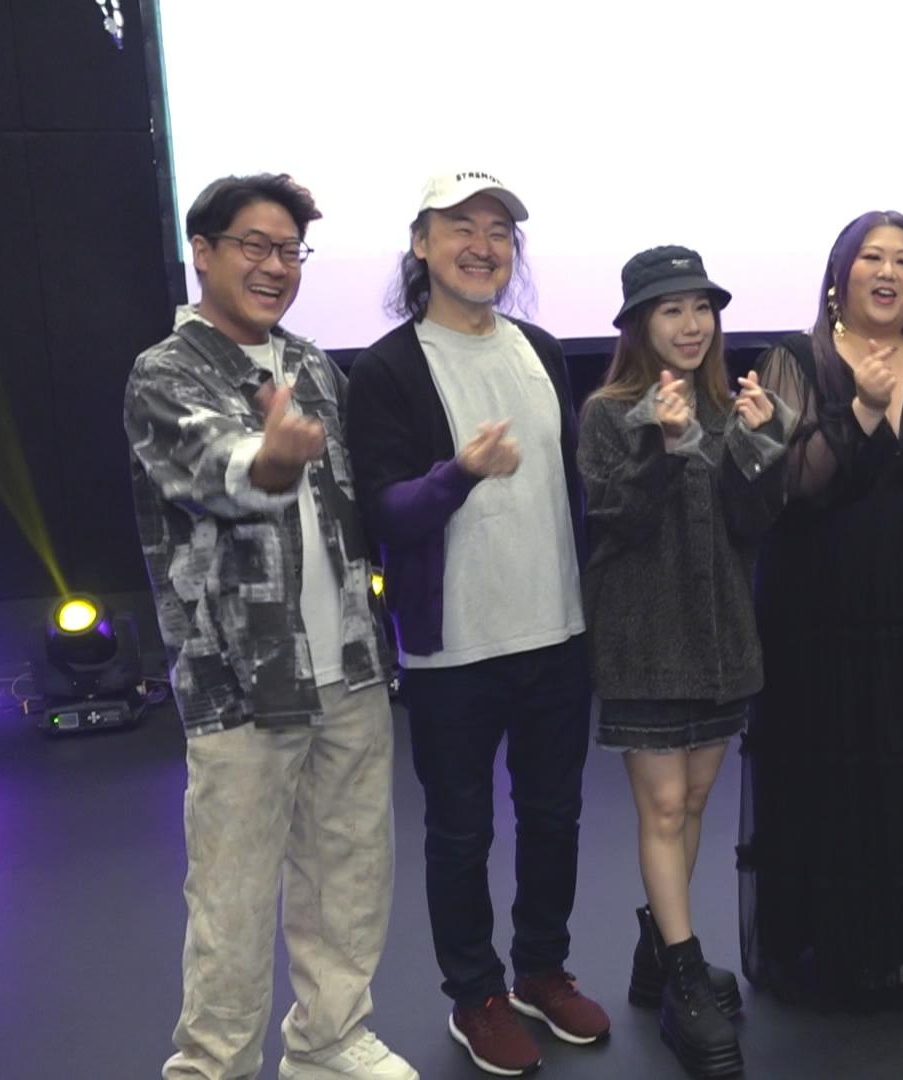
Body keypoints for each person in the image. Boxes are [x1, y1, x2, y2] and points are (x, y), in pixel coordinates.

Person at [123, 173, 417, 1080]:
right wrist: (272, 459)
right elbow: (219, 469)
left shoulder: (314, 365)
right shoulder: (167, 371)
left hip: (349, 664)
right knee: (234, 895)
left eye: (290, 250)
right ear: (202, 253)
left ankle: (328, 1040)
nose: (276, 266)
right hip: (243, 683)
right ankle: (213, 1065)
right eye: (254, 245)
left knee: (349, 871)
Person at [345, 172, 605, 1078]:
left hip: (557, 634)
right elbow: (387, 512)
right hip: (453, 649)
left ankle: (540, 971)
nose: (483, 245)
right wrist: (457, 474)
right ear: (421, 244)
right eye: (461, 226)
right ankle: (476, 996)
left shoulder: (541, 348)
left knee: (555, 817)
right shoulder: (387, 368)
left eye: (498, 230)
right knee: (460, 834)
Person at [737, 210, 903, 1008]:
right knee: (836, 766)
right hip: (818, 604)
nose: (889, 273)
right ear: (840, 273)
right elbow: (792, 485)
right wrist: (860, 411)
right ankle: (847, 947)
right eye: (872, 258)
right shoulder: (795, 360)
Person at [578, 245, 789, 1077]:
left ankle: (660, 952)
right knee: (664, 808)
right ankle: (685, 974)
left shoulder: (730, 408)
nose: (692, 324)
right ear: (639, 324)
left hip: (720, 633)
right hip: (644, 637)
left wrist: (760, 443)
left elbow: (754, 522)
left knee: (694, 800)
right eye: (672, 310)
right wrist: (663, 448)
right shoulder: (607, 412)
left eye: (702, 307)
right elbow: (615, 519)